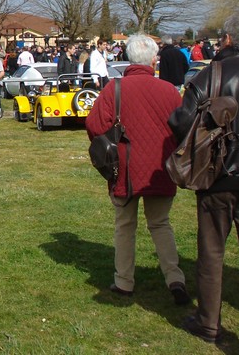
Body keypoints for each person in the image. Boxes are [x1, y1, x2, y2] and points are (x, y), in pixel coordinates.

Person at [169, 11, 239, 348]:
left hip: (216, 176)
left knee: (211, 253)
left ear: (230, 39)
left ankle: (208, 323)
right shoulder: (215, 73)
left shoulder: (213, 74)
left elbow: (179, 120)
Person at [86, 34, 188, 305]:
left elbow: (94, 126)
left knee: (125, 225)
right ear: (153, 60)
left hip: (125, 168)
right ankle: (174, 278)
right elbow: (184, 129)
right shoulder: (169, 91)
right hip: (160, 168)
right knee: (160, 224)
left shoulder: (114, 89)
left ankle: (124, 281)